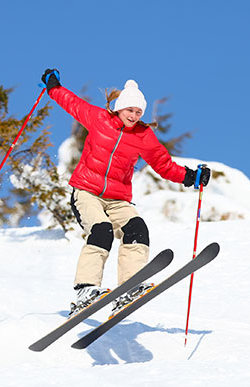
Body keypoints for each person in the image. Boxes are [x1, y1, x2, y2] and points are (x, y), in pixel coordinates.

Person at [40, 69, 211, 316]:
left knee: (137, 228)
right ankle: (86, 290)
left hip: (118, 199)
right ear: (119, 108)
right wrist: (54, 87)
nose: (134, 115)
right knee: (101, 230)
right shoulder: (98, 118)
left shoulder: (143, 136)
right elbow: (72, 103)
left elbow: (163, 164)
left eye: (138, 111)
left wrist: (190, 176)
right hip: (87, 192)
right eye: (130, 110)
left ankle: (130, 286)